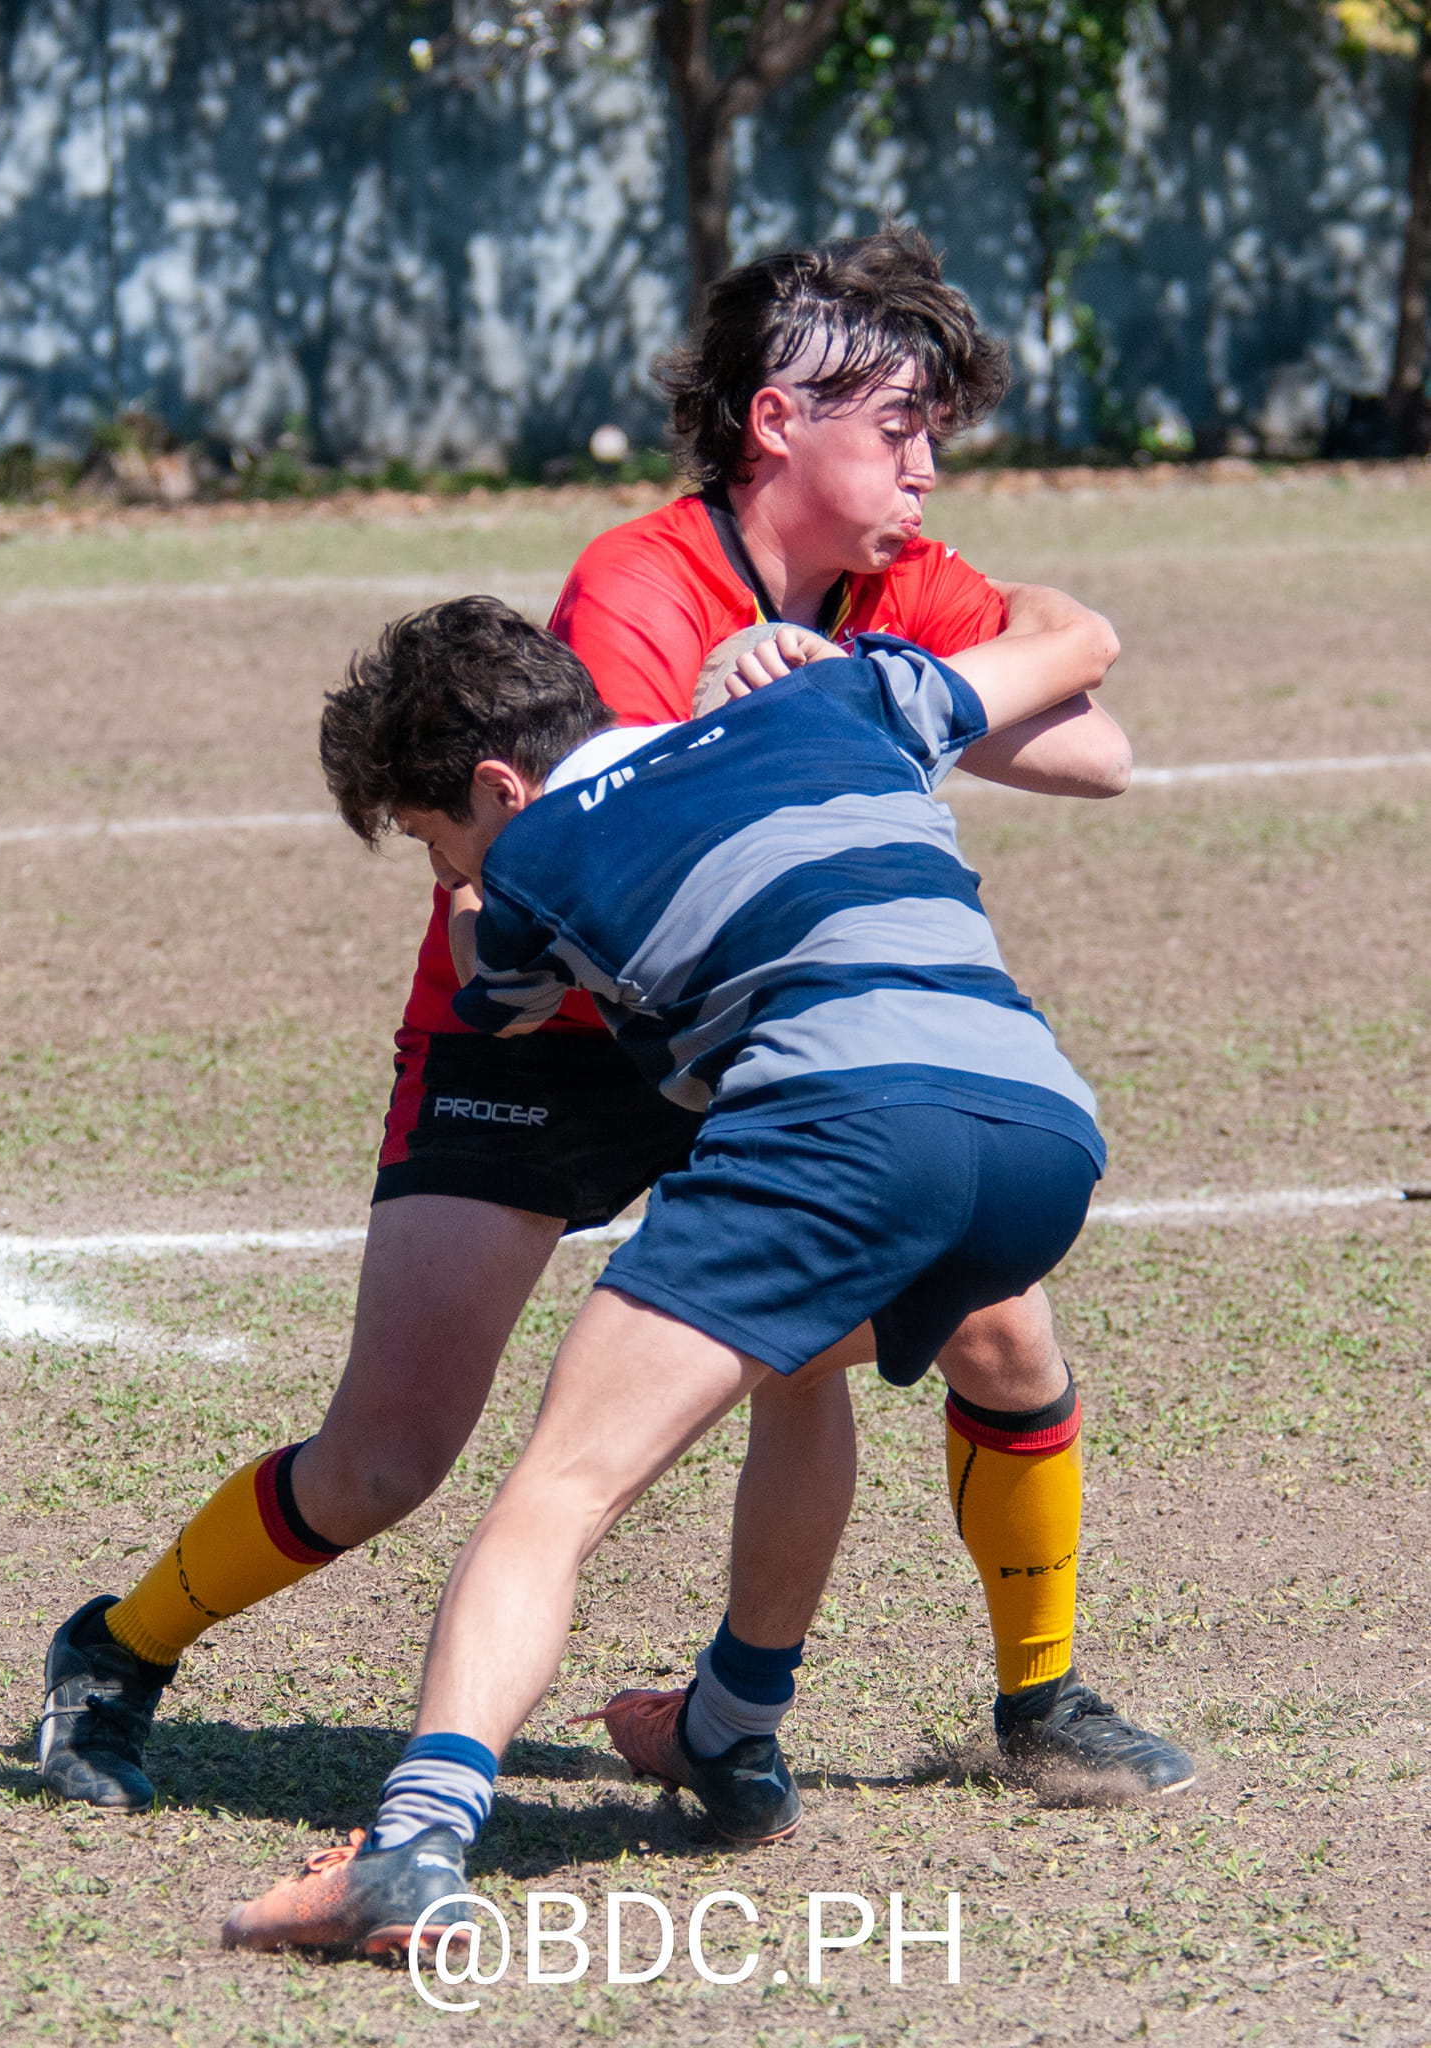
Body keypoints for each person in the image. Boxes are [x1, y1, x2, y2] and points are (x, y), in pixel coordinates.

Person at [37, 227, 1131, 1814]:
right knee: (385, 1461)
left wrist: (861, 672)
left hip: (732, 1022)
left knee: (987, 1330)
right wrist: (765, 694)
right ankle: (116, 1649)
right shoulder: (637, 582)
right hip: (532, 1027)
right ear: (779, 424)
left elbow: (1095, 751)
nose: (926, 466)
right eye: (899, 426)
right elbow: (579, 854)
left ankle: (1010, 1705)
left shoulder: (893, 582)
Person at [221, 597, 1192, 1958]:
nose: (452, 871)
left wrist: (475, 881)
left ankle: (407, 1850)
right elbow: (1083, 637)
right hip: (1038, 1138)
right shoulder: (838, 701)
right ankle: (727, 1730)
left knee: (556, 1493)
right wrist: (957, 620)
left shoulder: (532, 859)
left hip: (838, 1129)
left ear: (500, 788)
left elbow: (481, 973)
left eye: (441, 838)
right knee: (792, 1362)